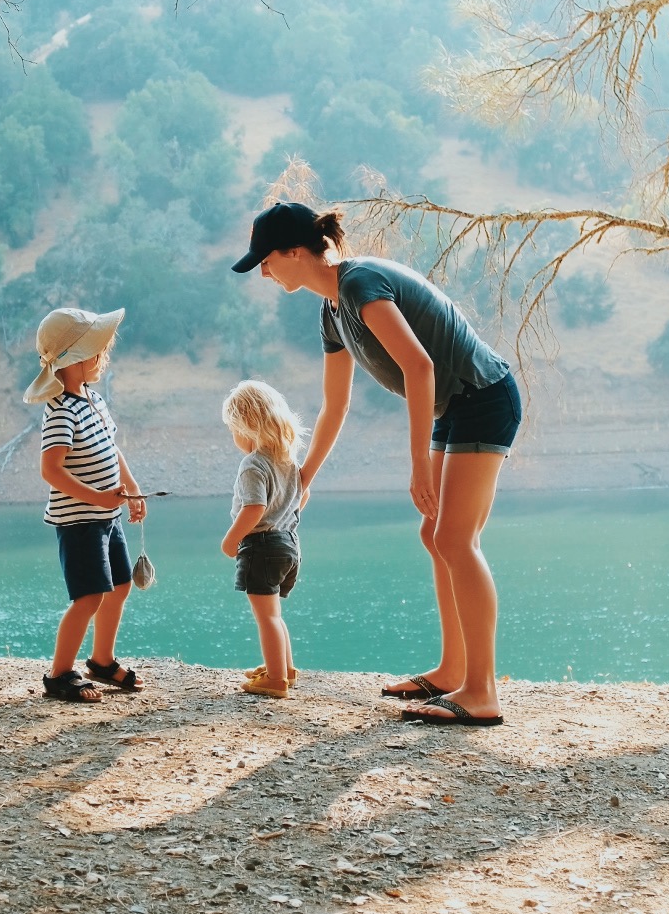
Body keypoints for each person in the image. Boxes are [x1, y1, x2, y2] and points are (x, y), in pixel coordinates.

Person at [232, 202, 521, 726]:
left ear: (296, 252)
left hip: (484, 395)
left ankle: (482, 692)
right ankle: (453, 671)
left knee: (456, 538)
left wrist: (417, 464)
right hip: (455, 405)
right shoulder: (331, 312)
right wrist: (303, 478)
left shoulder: (361, 284)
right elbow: (335, 406)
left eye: (267, 261)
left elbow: (419, 365)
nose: (265, 272)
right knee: (436, 536)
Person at [23, 306, 147, 703]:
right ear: (76, 358)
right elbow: (51, 470)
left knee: (121, 585)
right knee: (89, 597)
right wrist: (96, 497)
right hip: (79, 521)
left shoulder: (93, 400)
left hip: (107, 516)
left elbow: (112, 448)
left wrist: (131, 487)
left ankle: (101, 660)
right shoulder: (60, 411)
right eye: (99, 350)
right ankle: (59, 674)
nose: (103, 357)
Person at [220, 378, 306, 699]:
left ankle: (275, 679)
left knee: (265, 615)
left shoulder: (253, 464)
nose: (234, 437)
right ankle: (284, 668)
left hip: (262, 546)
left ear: (248, 426)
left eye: (234, 430)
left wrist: (232, 539)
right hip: (288, 543)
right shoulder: (287, 461)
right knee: (275, 614)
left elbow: (254, 508)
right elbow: (301, 497)